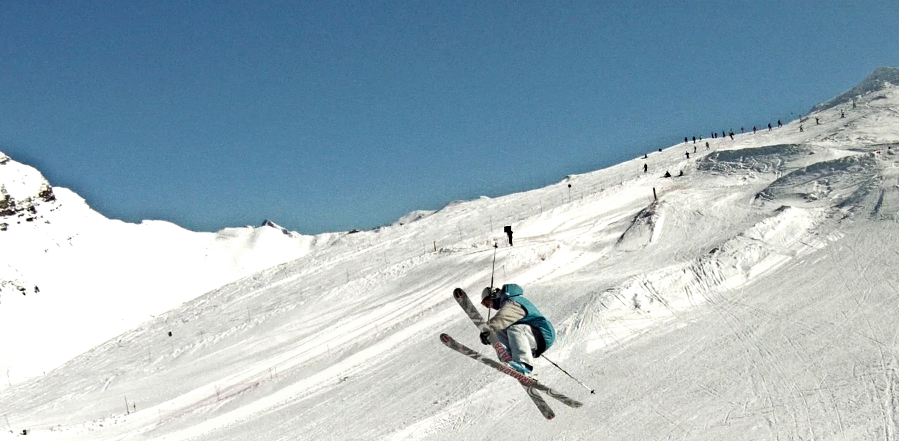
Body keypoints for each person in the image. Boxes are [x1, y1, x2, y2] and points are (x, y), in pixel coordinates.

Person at [480, 284, 556, 375]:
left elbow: (503, 317)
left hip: (544, 334)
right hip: (532, 335)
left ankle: (524, 365)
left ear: (493, 295)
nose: (490, 306)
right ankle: (510, 361)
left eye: (488, 303)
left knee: (514, 329)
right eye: (486, 305)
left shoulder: (514, 302)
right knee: (499, 331)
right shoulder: (508, 303)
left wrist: (488, 328)